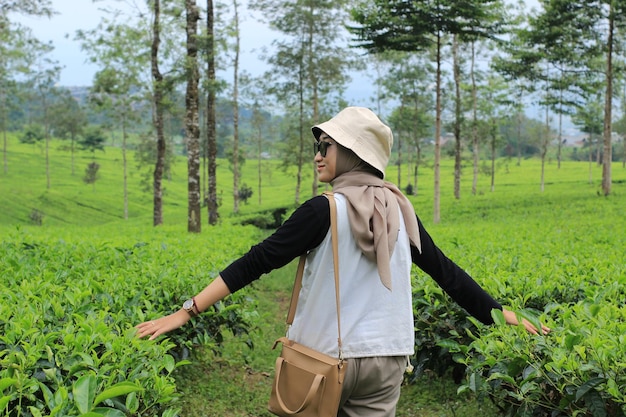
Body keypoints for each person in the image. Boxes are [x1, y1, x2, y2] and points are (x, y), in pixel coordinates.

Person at [136, 106, 550, 417]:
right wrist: (504, 316)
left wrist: (186, 311)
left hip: (323, 361)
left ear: (352, 153)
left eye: (326, 146)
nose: (318, 155)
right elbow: (448, 275)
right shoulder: (400, 211)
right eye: (319, 147)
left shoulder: (323, 209)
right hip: (389, 359)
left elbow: (256, 262)